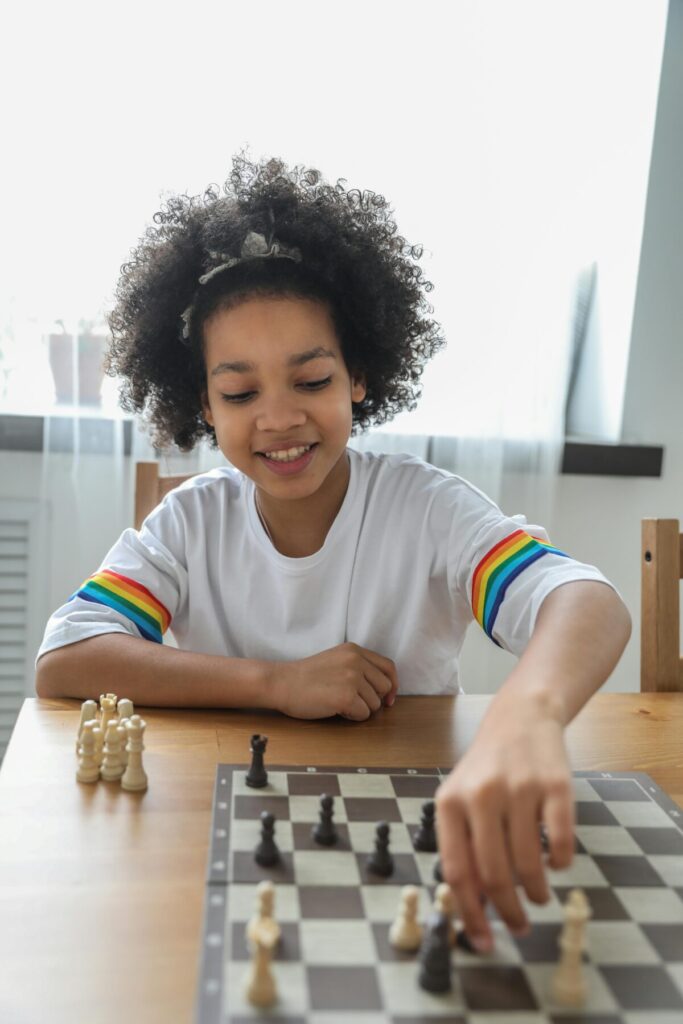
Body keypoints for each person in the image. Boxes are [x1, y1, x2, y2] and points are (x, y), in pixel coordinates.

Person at [35, 153, 631, 953]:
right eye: (240, 394)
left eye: (310, 380)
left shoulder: (425, 506)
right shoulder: (190, 522)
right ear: (202, 405)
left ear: (358, 376)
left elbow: (585, 601)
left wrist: (528, 712)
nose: (278, 419)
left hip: (413, 830)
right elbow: (66, 655)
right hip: (233, 834)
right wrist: (275, 683)